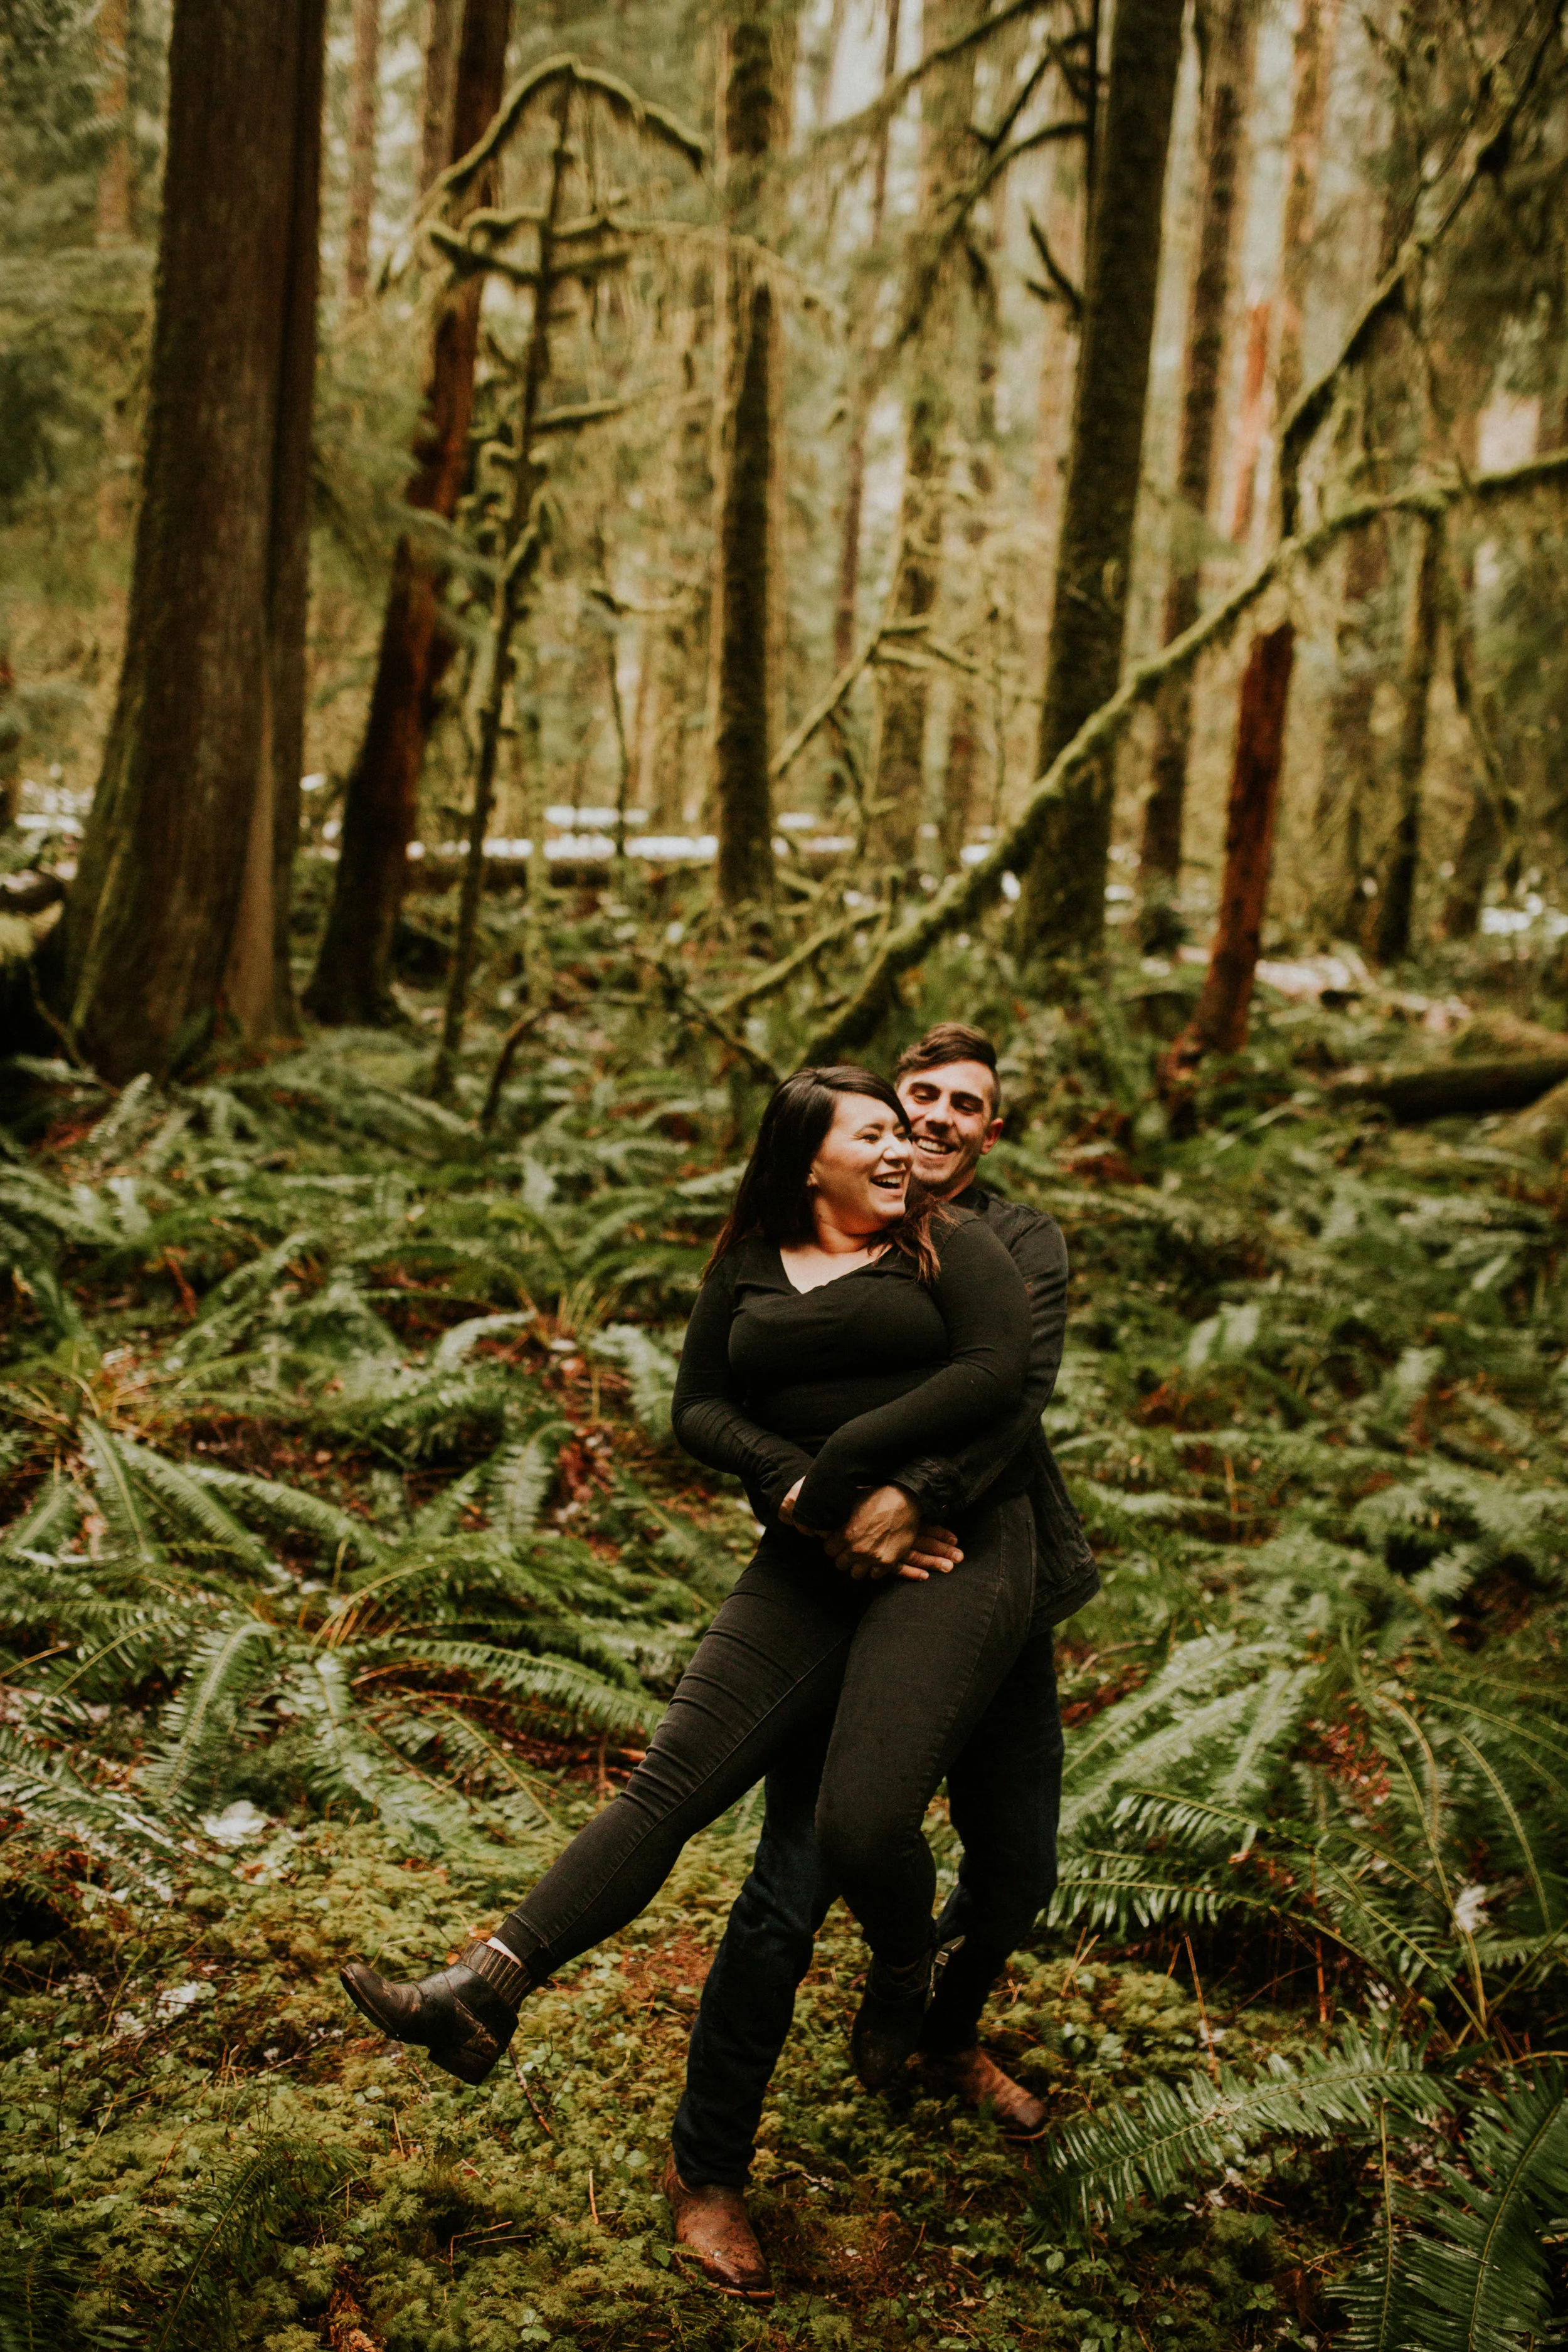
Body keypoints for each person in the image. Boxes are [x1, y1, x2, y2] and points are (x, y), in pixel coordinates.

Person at [339, 1063, 1044, 2107]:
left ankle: (907, 1972)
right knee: (670, 1778)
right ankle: (483, 1988)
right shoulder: (753, 1260)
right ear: (808, 1161)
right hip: (809, 1551)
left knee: (860, 1822)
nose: (905, 1148)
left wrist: (852, 1461)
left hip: (954, 1545)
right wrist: (794, 1481)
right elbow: (698, 1407)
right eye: (876, 1134)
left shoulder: (950, 1242)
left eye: (906, 1132)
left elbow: (996, 1371)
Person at [664, 1024, 1098, 2304]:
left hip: (991, 1589)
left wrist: (906, 1493)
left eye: (970, 1105)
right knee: (787, 1889)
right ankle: (708, 2169)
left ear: (990, 1132)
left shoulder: (1008, 1244)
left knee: (1015, 1864)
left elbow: (1013, 1397)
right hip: (844, 1606)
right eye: (920, 1098)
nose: (941, 1120)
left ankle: (934, 2030)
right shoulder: (829, 1230)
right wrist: (805, 1496)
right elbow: (750, 1394)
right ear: (882, 1111)